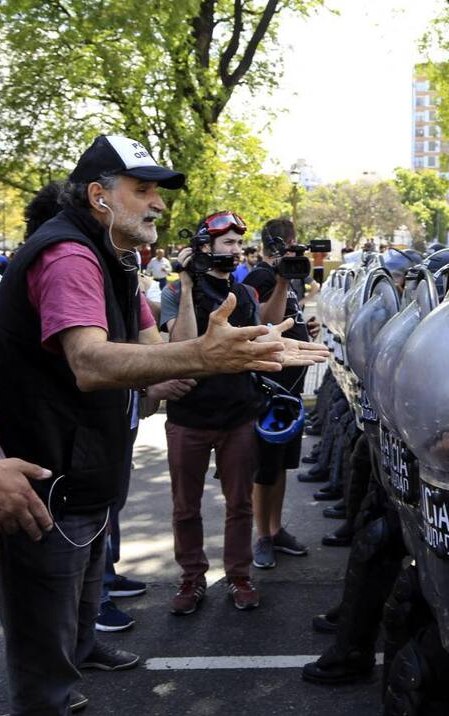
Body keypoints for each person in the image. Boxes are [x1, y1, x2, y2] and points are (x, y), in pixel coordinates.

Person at [0, 134, 324, 715]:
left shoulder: (114, 255)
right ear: (98, 195)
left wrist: (240, 350)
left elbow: (151, 350)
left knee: (78, 612)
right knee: (44, 653)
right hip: (45, 484)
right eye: (143, 189)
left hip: (85, 475)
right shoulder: (69, 255)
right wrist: (205, 356)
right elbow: (91, 362)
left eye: (158, 191)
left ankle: (80, 656)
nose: (159, 204)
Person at [159, 210, 322, 616]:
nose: (235, 250)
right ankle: (191, 578)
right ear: (203, 247)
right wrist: (186, 283)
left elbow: (267, 329)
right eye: (227, 243)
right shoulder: (176, 291)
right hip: (189, 417)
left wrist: (282, 286)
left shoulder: (245, 291)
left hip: (239, 416)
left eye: (238, 243)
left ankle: (239, 575)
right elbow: (181, 347)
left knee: (240, 505)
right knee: (185, 507)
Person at [242, 219, 311, 568]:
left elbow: (285, 319)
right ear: (289, 241)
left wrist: (304, 327)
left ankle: (275, 528)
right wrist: (282, 281)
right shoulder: (261, 276)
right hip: (269, 391)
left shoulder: (284, 277)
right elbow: (264, 324)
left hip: (290, 393)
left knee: (281, 465)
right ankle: (262, 537)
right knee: (264, 470)